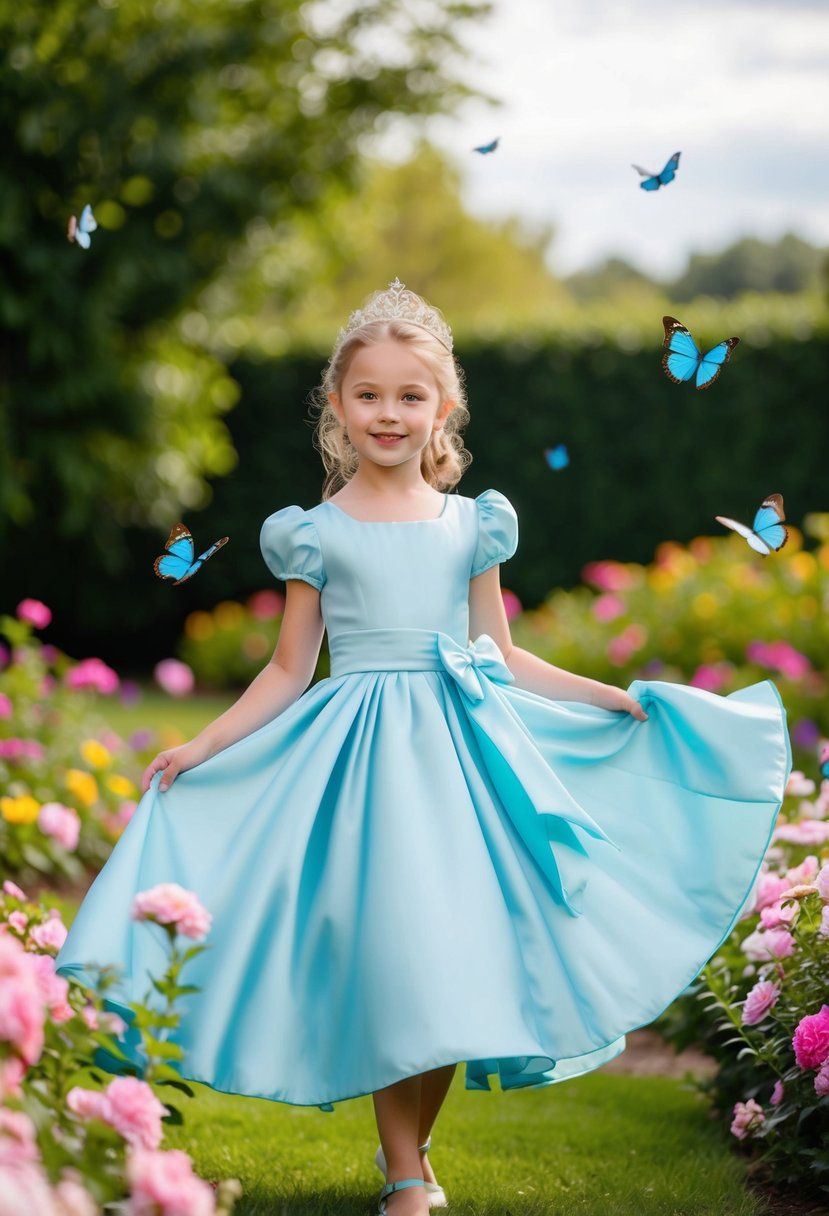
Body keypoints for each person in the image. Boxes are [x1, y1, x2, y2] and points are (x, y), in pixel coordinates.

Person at [56, 279, 792, 1216]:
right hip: (359, 764)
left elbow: (501, 653)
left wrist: (619, 700)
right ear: (337, 407)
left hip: (459, 760)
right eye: (369, 395)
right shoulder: (313, 534)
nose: (389, 412)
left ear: (444, 407)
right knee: (391, 951)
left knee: (449, 954)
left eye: (411, 395)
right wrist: (200, 745)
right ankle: (405, 1168)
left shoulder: (470, 523)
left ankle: (414, 1153)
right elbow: (290, 669)